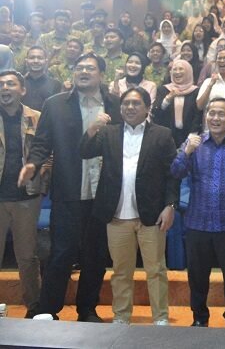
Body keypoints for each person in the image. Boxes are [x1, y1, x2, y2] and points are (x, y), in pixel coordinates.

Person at [20, 52, 122, 321]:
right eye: (79, 67)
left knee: (95, 256)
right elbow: (42, 143)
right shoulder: (55, 104)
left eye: (90, 68)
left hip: (103, 194)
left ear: (102, 74)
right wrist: (33, 163)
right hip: (68, 192)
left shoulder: (116, 104)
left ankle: (87, 309)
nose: (83, 72)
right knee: (61, 253)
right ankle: (47, 310)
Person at [79, 87, 178, 326]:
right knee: (121, 271)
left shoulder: (162, 134)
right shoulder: (109, 132)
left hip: (151, 215)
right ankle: (121, 316)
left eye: (136, 103)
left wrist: (170, 205)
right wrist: (92, 128)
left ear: (147, 108)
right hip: (116, 214)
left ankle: (161, 318)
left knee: (156, 270)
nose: (130, 107)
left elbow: (172, 174)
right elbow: (85, 151)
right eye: (126, 103)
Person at [170, 97, 225, 328]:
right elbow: (176, 172)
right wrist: (187, 151)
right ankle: (199, 317)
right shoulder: (194, 143)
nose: (215, 118)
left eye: (221, 114)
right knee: (197, 275)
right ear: (205, 116)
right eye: (211, 113)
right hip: (197, 221)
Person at [0, 70, 44, 318]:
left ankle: (34, 308)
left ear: (22, 90)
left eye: (10, 84)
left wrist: (40, 174)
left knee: (27, 257)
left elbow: (47, 151)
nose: (5, 88)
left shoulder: (36, 118)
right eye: (1, 84)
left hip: (26, 198)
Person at [152, 60, 201, 147]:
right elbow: (156, 113)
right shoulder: (163, 90)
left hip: (190, 136)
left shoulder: (196, 91)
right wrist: (167, 99)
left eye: (181, 69)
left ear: (188, 71)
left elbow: (198, 113)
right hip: (166, 136)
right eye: (175, 69)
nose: (177, 72)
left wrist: (193, 133)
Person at [22, 46, 62, 112]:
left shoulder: (55, 85)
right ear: (26, 61)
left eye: (40, 58)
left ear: (46, 61)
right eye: (32, 58)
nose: (36, 61)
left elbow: (57, 110)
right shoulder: (19, 83)